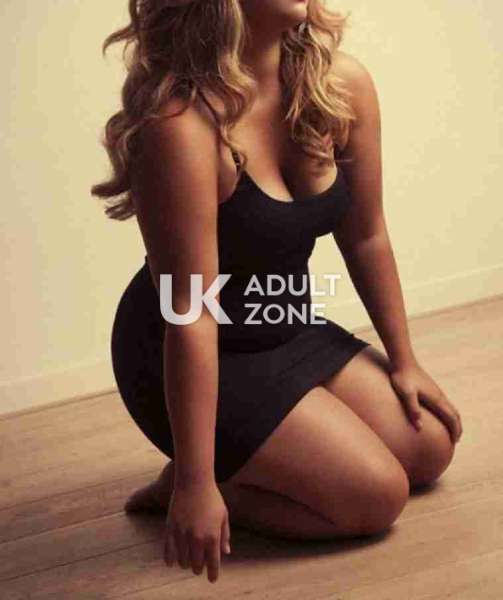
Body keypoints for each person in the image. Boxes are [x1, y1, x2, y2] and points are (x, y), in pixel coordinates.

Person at [92, 0, 463, 584]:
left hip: (283, 323)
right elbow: (190, 314)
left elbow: (366, 235)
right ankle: (197, 486)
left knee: (429, 447)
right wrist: (195, 481)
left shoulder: (337, 86)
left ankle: (248, 464)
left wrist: (405, 360)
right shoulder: (182, 125)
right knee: (376, 496)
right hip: (186, 347)